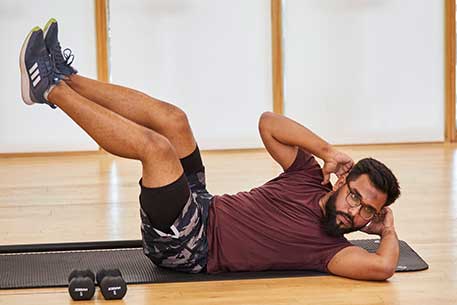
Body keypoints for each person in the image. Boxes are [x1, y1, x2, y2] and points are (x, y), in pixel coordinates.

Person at [19, 19, 401, 281]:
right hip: (203, 206)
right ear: (343, 179)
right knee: (174, 120)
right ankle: (64, 76)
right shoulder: (308, 176)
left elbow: (383, 267)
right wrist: (325, 148)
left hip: (190, 248)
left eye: (367, 209)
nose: (355, 212)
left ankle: (48, 89)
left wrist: (386, 230)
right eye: (355, 197)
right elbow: (269, 123)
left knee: (158, 149)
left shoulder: (330, 250)